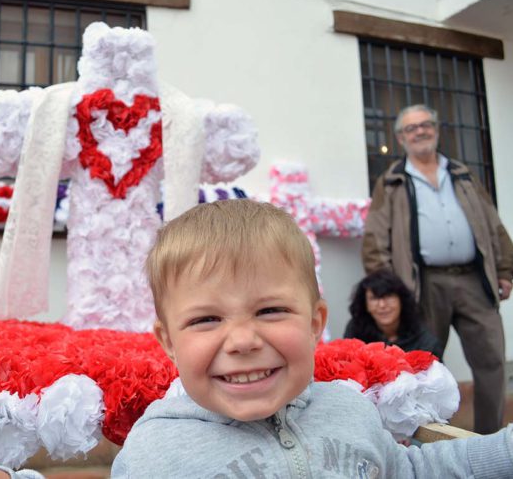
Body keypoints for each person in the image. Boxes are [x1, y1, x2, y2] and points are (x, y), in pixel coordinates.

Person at [111, 199, 513, 477]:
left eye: (270, 311)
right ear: (168, 342)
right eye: (206, 319)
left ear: (315, 322)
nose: (242, 340)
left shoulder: (350, 409)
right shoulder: (153, 454)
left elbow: (409, 470)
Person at [362, 103, 513, 435]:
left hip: (474, 279)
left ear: (436, 129)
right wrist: (389, 287)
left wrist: (504, 269)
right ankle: (432, 438)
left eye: (426, 124)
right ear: (401, 137)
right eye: (411, 128)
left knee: (491, 361)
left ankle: (490, 440)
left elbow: (493, 223)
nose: (420, 131)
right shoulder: (392, 181)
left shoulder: (462, 174)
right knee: (422, 364)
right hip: (422, 285)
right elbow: (374, 236)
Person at [345, 269, 443, 359]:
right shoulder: (356, 329)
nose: (382, 305)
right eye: (374, 298)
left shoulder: (422, 335)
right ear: (365, 304)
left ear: (401, 300)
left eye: (388, 296)